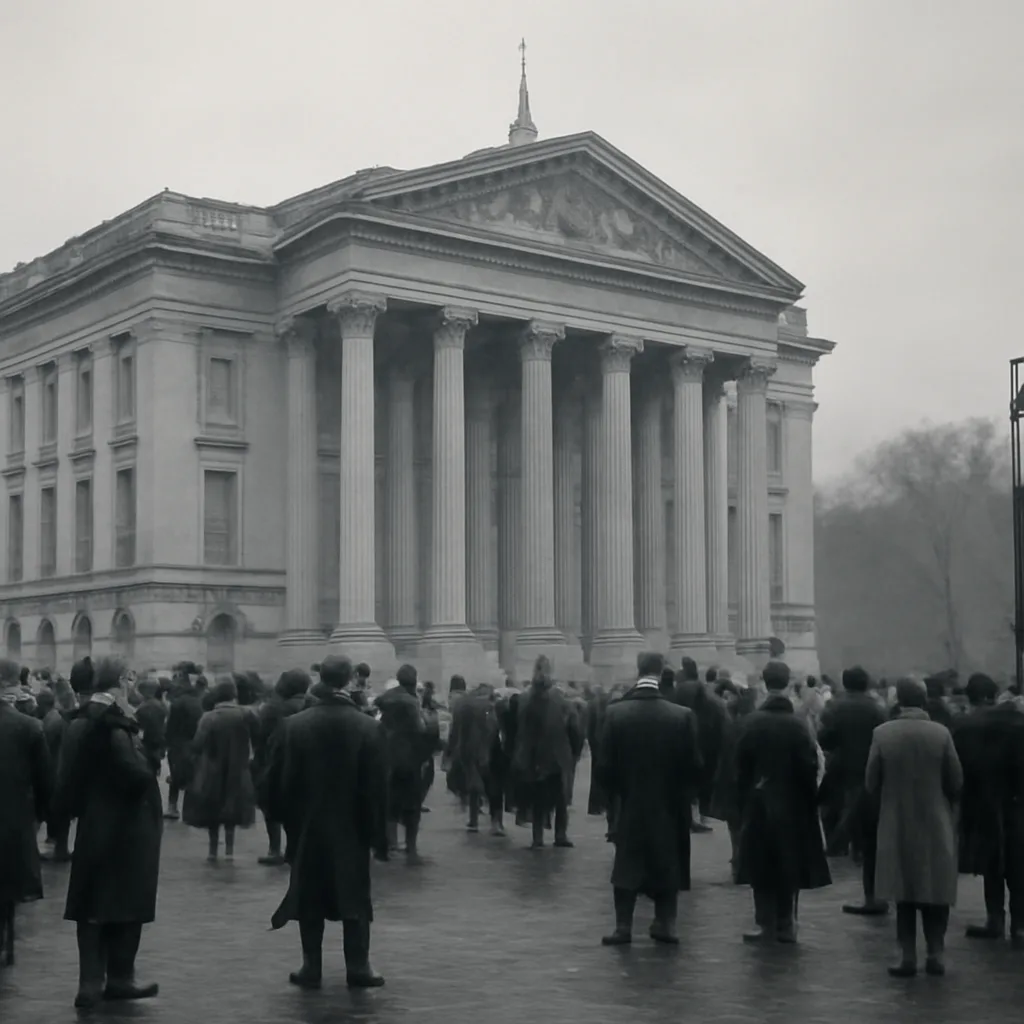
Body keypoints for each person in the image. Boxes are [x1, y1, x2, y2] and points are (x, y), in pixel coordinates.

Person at [267, 655, 388, 989]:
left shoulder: (293, 726)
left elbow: (276, 781)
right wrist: (377, 834)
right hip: (351, 827)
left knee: (309, 896)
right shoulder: (368, 727)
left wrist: (288, 820)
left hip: (307, 825)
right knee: (355, 897)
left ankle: (311, 966)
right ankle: (359, 966)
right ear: (349, 680)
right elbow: (376, 787)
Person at [53, 657, 162, 1010]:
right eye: (130, 677)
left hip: (93, 824)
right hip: (127, 827)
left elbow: (66, 781)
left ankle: (91, 983)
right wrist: (149, 764)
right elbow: (135, 775)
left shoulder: (78, 724)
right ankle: (118, 978)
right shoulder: (115, 724)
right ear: (122, 681)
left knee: (92, 902)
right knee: (127, 901)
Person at [595, 652, 700, 945]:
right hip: (668, 805)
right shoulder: (682, 716)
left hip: (629, 803)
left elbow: (603, 767)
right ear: (662, 671)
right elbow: (694, 766)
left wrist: (621, 794)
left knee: (626, 864)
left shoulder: (616, 714)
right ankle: (665, 923)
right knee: (668, 864)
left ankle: (623, 926)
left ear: (638, 670)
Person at [866, 676, 962, 977]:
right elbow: (956, 780)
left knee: (903, 891)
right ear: (923, 699)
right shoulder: (941, 733)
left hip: (896, 821)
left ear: (899, 700)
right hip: (936, 820)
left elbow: (871, 782)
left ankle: (907, 955)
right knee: (936, 889)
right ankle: (936, 952)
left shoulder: (882, 734)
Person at [734, 660, 831, 943]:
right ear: (788, 683)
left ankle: (763, 922)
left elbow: (739, 767)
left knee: (759, 863)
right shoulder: (798, 724)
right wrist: (810, 799)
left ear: (764, 683)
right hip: (794, 805)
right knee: (789, 863)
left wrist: (746, 796)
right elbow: (810, 766)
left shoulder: (750, 723)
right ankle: (787, 922)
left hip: (759, 803)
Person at [952, 672, 1024, 944]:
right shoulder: (1018, 721)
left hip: (981, 802)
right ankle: (1020, 924)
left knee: (991, 863)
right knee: (1018, 862)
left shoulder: (964, 725)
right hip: (1017, 802)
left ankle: (995, 918)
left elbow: (958, 769)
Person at [816, 665, 888, 915]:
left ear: (845, 683)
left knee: (847, 817)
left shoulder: (835, 707)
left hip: (844, 774)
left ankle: (871, 895)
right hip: (873, 773)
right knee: (873, 836)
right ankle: (876, 891)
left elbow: (825, 738)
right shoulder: (878, 708)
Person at [0, 659, 52, 965]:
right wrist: (42, 815)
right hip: (14, 819)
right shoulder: (29, 727)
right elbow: (45, 781)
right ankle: (7, 939)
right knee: (8, 885)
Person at [182, 675, 257, 862]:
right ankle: (230, 851)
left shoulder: (208, 718)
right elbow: (258, 738)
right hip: (238, 768)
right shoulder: (246, 714)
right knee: (232, 809)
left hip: (212, 768)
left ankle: (212, 850)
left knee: (212, 810)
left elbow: (198, 743)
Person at [512, 655, 584, 849]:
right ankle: (560, 835)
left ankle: (537, 838)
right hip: (558, 755)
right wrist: (574, 752)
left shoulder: (524, 698)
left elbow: (516, 728)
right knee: (560, 798)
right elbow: (575, 728)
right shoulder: (561, 699)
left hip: (532, 755)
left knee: (537, 799)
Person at [253, 669, 311, 866]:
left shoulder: (273, 708)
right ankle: (295, 849)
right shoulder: (310, 704)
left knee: (272, 808)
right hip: (303, 764)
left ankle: (275, 849)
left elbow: (262, 738)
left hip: (274, 763)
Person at [375, 663, 430, 863]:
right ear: (414, 680)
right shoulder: (411, 701)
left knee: (390, 801)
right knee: (412, 804)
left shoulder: (386, 698)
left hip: (388, 754)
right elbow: (420, 727)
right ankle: (411, 848)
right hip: (410, 757)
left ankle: (391, 843)